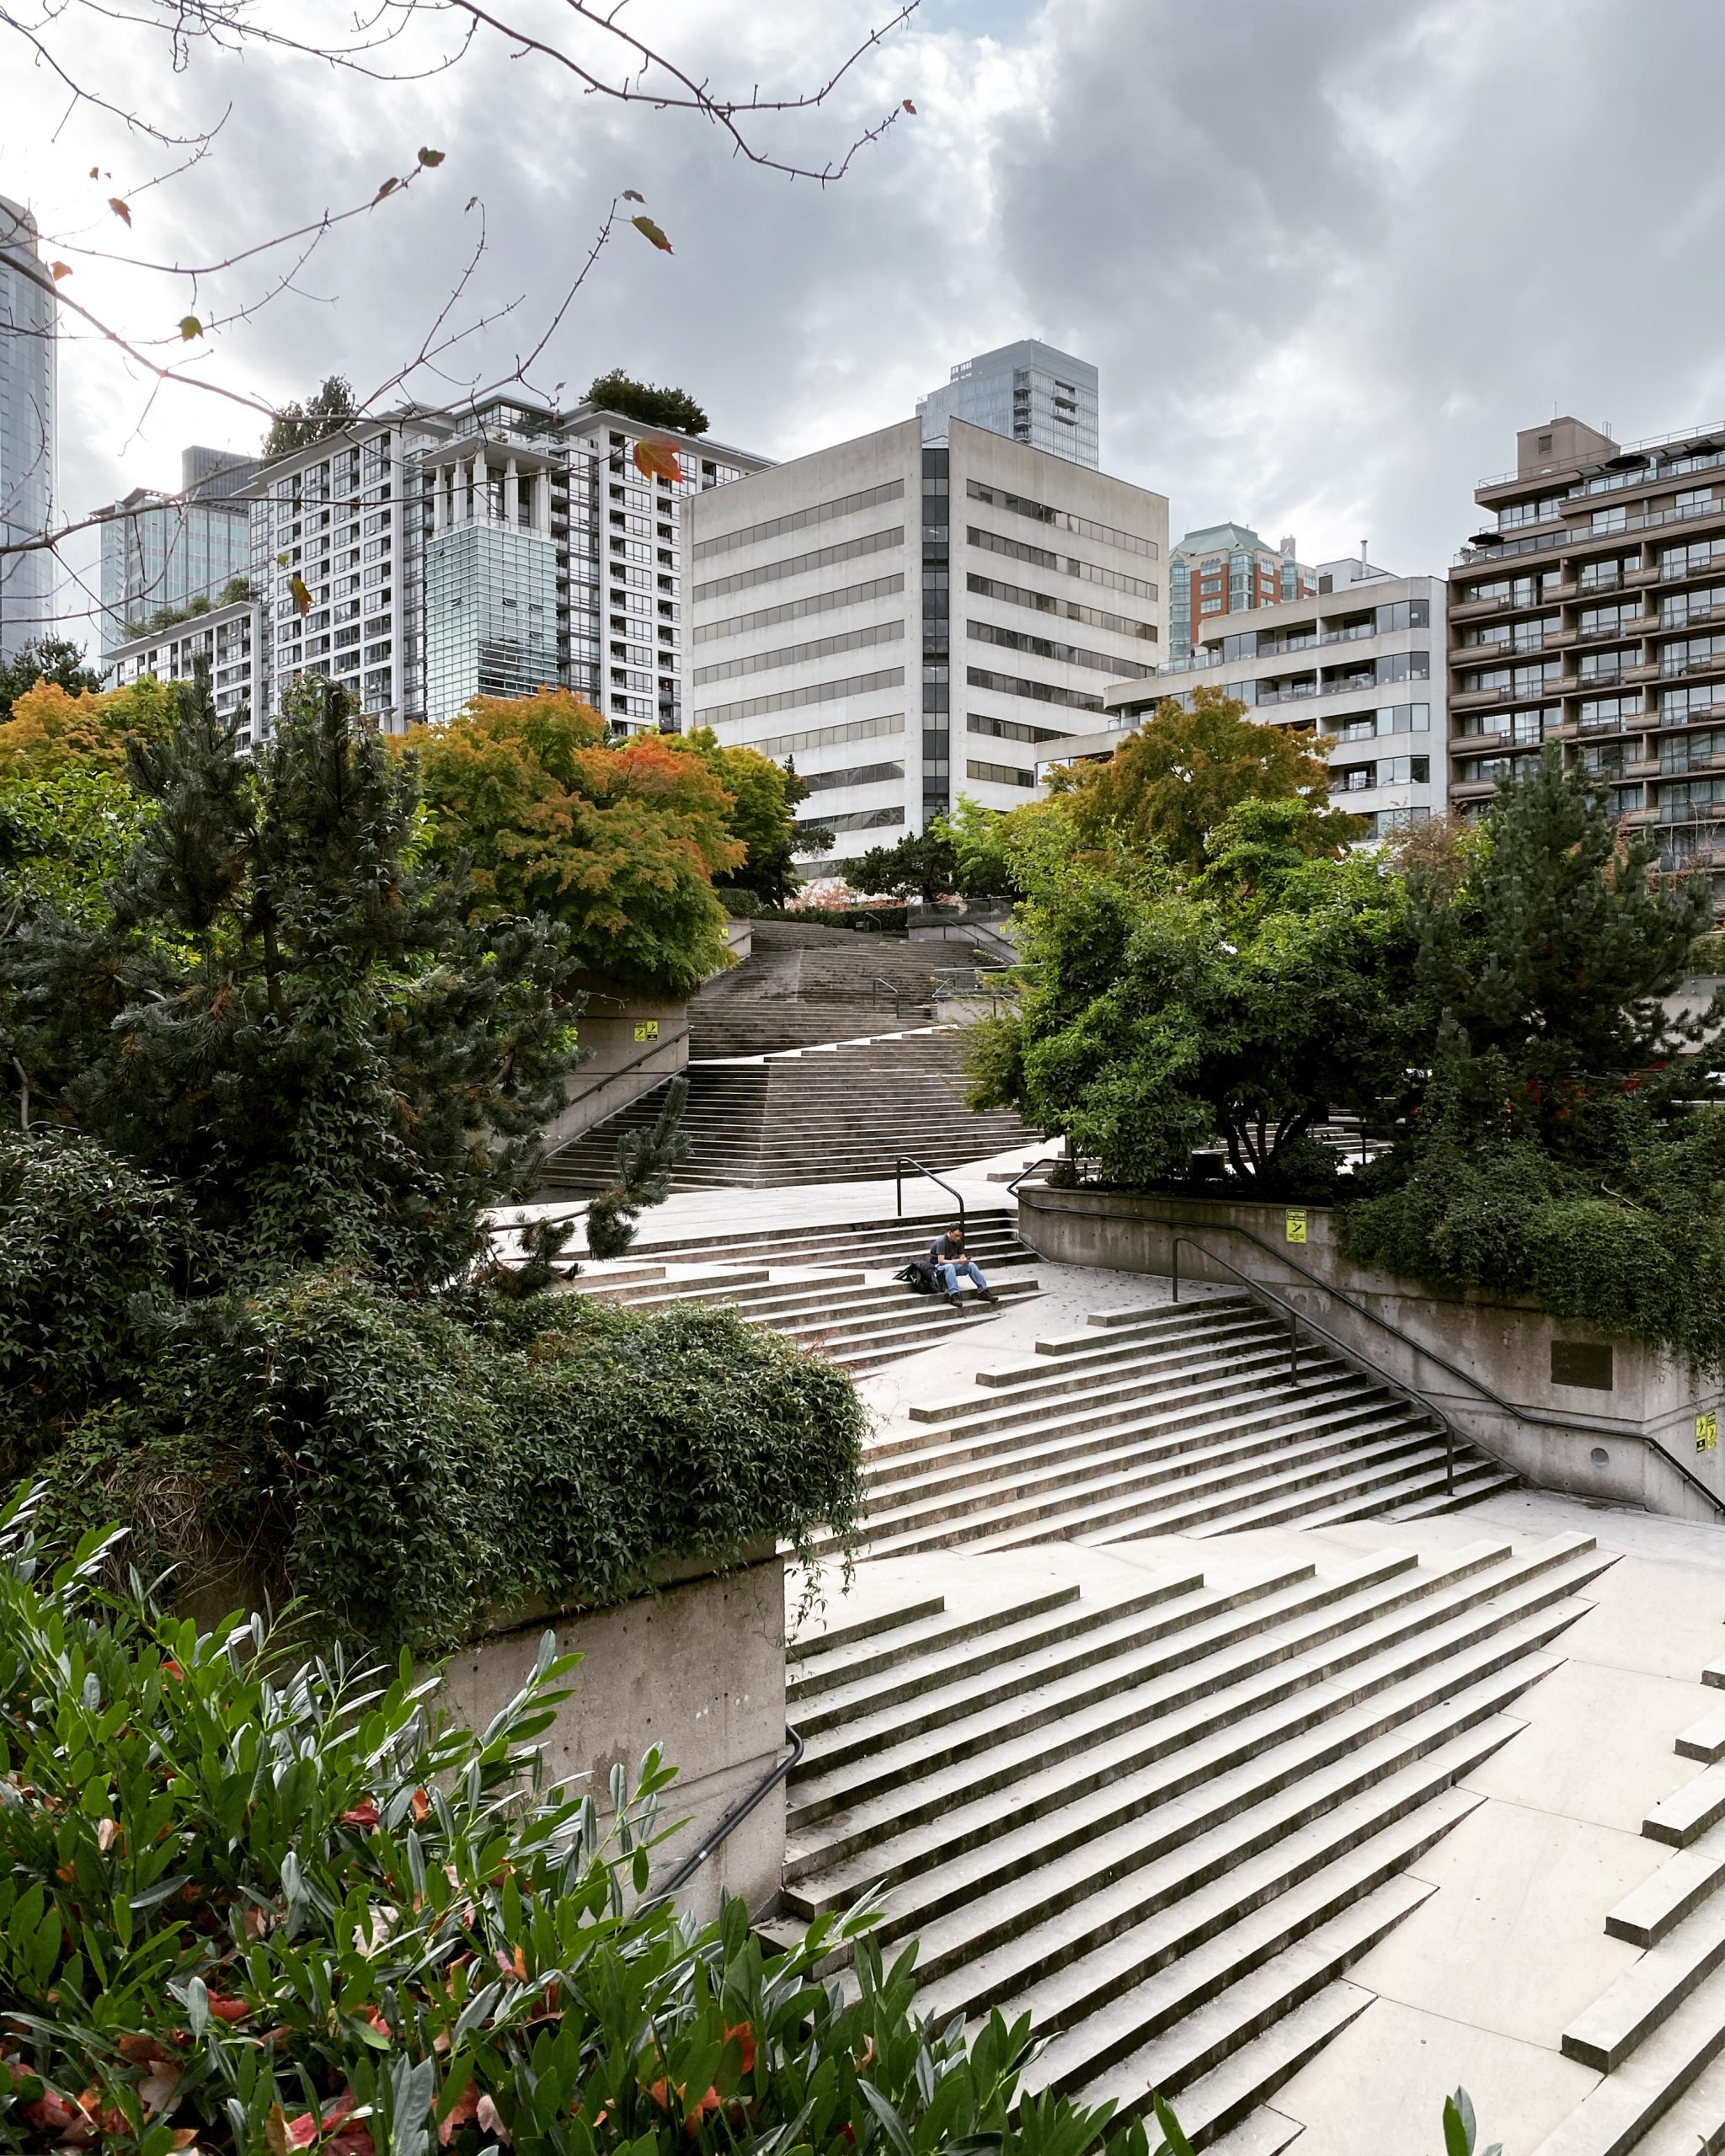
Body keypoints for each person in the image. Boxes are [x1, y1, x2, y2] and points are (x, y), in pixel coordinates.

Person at [929, 1221, 994, 1307]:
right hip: (937, 1268)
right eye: (956, 1235)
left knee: (971, 1265)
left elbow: (962, 1256)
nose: (958, 1238)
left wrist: (965, 1260)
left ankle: (983, 1291)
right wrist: (958, 1261)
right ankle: (954, 1295)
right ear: (950, 1232)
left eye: (960, 1236)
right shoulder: (942, 1241)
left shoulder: (958, 1241)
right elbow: (941, 1261)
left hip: (949, 1265)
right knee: (950, 1267)